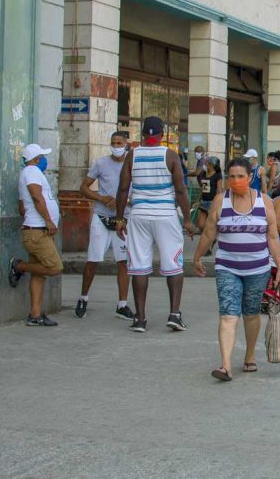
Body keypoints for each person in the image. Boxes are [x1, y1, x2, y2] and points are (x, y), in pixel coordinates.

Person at [193, 157, 280, 382]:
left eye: (240, 176)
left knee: (251, 313)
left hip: (258, 269)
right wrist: (197, 257)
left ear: (250, 177)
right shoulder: (219, 201)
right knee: (228, 314)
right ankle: (225, 366)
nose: (235, 181)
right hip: (227, 267)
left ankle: (250, 355)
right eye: (231, 177)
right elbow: (208, 233)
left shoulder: (265, 202)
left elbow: (273, 237)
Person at [115, 116, 197, 333]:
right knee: (173, 264)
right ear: (162, 135)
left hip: (139, 215)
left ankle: (140, 319)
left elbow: (123, 189)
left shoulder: (132, 155)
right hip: (165, 216)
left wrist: (119, 218)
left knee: (139, 267)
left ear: (143, 134)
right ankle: (174, 314)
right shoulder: (170, 155)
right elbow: (180, 190)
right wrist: (188, 219)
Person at [74, 131, 133, 320]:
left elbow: (138, 191)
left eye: (119, 143)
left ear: (126, 144)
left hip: (122, 220)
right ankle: (83, 298)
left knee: (123, 262)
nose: (116, 146)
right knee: (93, 260)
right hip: (101, 217)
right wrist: (101, 198)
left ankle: (122, 304)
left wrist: (126, 200)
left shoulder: (133, 164)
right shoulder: (101, 163)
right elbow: (83, 188)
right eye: (113, 143)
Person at [8, 144, 64, 326]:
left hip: (37, 229)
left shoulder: (29, 173)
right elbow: (36, 197)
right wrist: (48, 220)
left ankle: (35, 315)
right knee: (55, 267)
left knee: (39, 274)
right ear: (37, 159)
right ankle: (19, 266)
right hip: (38, 231)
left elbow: (21, 207)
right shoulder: (32, 171)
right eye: (43, 157)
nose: (45, 160)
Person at [196, 156, 222, 232]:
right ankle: (209, 235)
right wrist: (198, 200)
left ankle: (210, 238)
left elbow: (219, 189)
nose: (205, 164)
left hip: (212, 201)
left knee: (212, 224)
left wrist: (218, 202)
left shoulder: (218, 175)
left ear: (211, 164)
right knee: (201, 225)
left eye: (206, 162)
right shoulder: (204, 174)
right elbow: (203, 189)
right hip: (204, 201)